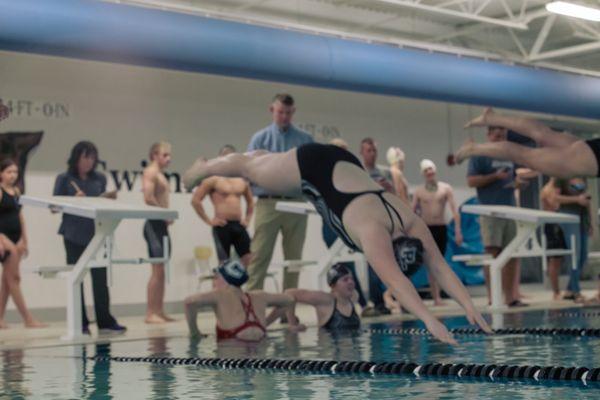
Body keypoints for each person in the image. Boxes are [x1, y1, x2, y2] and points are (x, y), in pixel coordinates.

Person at [183, 142, 491, 344]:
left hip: (341, 160)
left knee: (263, 164)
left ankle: (261, 156)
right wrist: (429, 321)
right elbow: (398, 284)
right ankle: (204, 168)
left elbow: (438, 266)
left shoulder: (409, 220)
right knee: (250, 170)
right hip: (313, 166)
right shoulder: (374, 233)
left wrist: (469, 306)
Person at [53, 141, 125, 334]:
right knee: (77, 279)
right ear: (76, 157)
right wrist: (71, 201)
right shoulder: (64, 178)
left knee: (100, 279)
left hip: (97, 234)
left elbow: (101, 202)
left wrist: (107, 199)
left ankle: (105, 320)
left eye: (93, 158)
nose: (89, 162)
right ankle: (81, 322)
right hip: (73, 234)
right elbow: (53, 206)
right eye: (86, 157)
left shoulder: (99, 178)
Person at [245, 93, 314, 292]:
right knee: (259, 255)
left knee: (294, 260)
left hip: (297, 204)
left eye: (288, 113)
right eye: (280, 112)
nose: (284, 116)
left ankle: (288, 309)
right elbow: (248, 170)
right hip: (268, 202)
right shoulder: (260, 138)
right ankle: (253, 306)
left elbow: (312, 173)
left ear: (294, 112)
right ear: (272, 110)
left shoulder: (305, 139)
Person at [465, 126, 524, 307]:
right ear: (489, 135)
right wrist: (494, 177)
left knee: (512, 253)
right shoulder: (480, 155)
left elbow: (512, 178)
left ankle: (510, 297)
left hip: (510, 209)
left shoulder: (509, 155)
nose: (500, 139)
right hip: (490, 211)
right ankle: (493, 297)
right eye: (496, 135)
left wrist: (518, 183)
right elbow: (471, 181)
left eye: (503, 135)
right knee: (492, 253)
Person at [455, 107, 600, 179]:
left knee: (544, 134)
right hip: (592, 160)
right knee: (524, 155)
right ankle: (473, 149)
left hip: (594, 149)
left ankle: (492, 118)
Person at [184, 259, 295, 341]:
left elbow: (189, 302)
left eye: (216, 277)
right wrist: (266, 323)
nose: (214, 282)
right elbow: (289, 300)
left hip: (233, 355)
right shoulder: (259, 296)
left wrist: (194, 333)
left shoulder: (219, 295)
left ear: (226, 279)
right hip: (260, 348)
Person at [321, 138, 367, 308]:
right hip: (331, 225)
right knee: (343, 266)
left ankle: (358, 302)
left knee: (351, 263)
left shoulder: (352, 173)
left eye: (343, 150)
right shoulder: (323, 173)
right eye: (337, 150)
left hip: (349, 223)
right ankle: (356, 302)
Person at [0, 159, 45, 328]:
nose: (12, 175)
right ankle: (28, 319)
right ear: (1, 174)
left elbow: (20, 217)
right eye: (9, 172)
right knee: (14, 278)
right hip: (3, 238)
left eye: (15, 172)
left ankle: (0, 318)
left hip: (15, 238)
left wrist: (24, 240)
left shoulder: (16, 192)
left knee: (6, 280)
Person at [191, 145, 254, 267]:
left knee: (249, 260)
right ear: (220, 159)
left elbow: (250, 202)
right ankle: (221, 286)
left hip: (239, 226)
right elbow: (195, 201)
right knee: (224, 263)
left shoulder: (241, 180)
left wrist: (247, 220)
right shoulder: (212, 179)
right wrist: (209, 221)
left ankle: (240, 286)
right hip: (222, 226)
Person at [412, 159, 463, 306]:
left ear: (435, 170)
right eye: (426, 170)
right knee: (430, 263)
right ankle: (436, 298)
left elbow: (455, 210)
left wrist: (458, 230)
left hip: (441, 228)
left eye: (431, 169)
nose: (429, 172)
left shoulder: (445, 188)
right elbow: (412, 212)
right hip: (427, 229)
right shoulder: (419, 191)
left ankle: (440, 295)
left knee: (440, 262)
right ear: (423, 173)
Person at [359, 138, 395, 317]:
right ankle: (378, 301)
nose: (372, 154)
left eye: (374, 150)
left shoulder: (385, 172)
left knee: (388, 263)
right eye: (368, 150)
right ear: (361, 152)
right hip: (366, 222)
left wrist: (388, 188)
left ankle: (396, 299)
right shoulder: (357, 172)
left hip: (383, 220)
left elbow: (394, 196)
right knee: (372, 263)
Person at [266, 264, 360, 330]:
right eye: (345, 280)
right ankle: (263, 324)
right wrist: (293, 324)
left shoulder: (353, 297)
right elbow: (289, 293)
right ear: (333, 286)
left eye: (352, 279)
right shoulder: (326, 300)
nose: (351, 282)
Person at [142, 141, 175, 324]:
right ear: (154, 155)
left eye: (169, 155)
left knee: (161, 269)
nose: (168, 158)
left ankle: (159, 310)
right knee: (156, 269)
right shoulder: (151, 172)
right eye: (165, 155)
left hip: (161, 224)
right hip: (153, 224)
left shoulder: (160, 174)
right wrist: (164, 215)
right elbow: (148, 198)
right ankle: (150, 313)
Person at [556, 177, 594, 303]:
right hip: (568, 216)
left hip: (582, 217)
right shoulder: (560, 176)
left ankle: (569, 290)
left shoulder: (583, 174)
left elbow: (586, 200)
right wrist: (576, 199)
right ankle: (576, 291)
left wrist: (590, 222)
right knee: (575, 254)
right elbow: (555, 198)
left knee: (583, 255)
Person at [540, 178, 568, 300]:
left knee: (558, 259)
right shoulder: (548, 189)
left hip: (557, 224)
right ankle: (555, 292)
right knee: (554, 260)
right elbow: (554, 204)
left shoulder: (552, 189)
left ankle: (557, 291)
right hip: (552, 225)